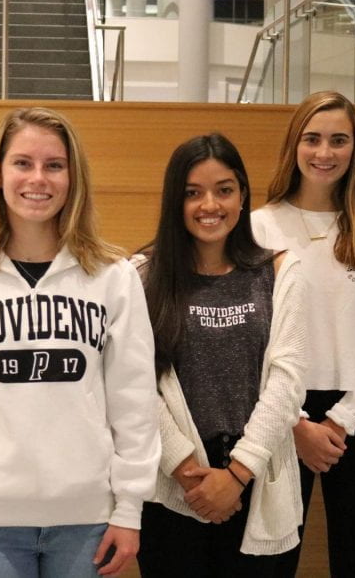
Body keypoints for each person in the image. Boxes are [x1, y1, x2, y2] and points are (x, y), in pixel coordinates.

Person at [0, 106, 160, 578]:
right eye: (22, 163)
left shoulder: (114, 277)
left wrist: (129, 508)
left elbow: (134, 402)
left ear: (73, 176)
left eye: (54, 165)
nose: (38, 179)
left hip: (87, 516)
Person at [250, 90, 355, 576]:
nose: (325, 153)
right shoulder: (260, 226)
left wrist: (342, 420)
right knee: (272, 560)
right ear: (294, 145)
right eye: (313, 139)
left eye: (339, 140)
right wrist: (296, 422)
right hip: (280, 417)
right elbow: (253, 336)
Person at [133, 133, 308, 577]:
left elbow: (287, 385)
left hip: (258, 475)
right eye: (193, 193)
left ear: (243, 195)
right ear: (175, 200)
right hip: (174, 485)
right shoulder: (140, 275)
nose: (210, 205)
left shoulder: (281, 271)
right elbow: (131, 384)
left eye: (224, 190)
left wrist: (235, 476)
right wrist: (189, 471)